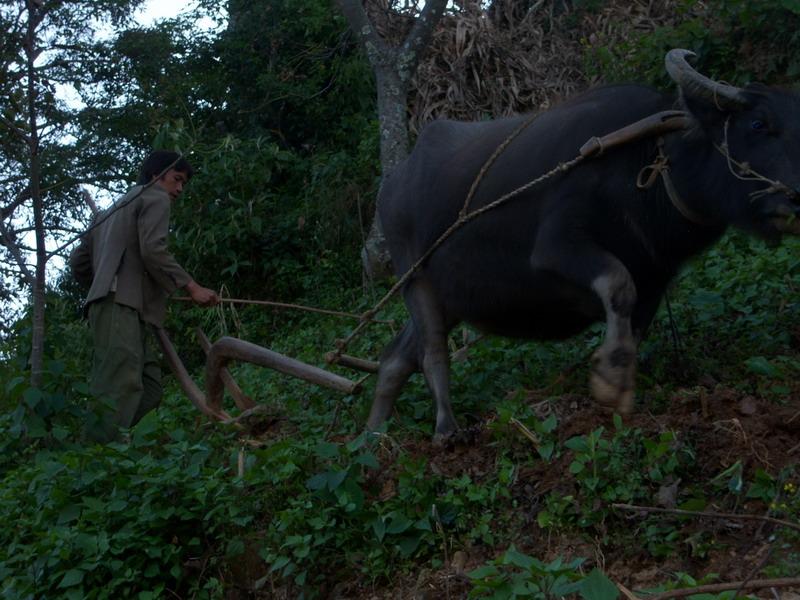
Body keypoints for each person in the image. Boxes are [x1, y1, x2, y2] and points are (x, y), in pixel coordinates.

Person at [70, 150, 219, 442]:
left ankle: (110, 444)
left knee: (149, 387)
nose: (179, 189)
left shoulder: (109, 211)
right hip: (118, 307)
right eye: (176, 180)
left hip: (119, 307)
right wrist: (192, 286)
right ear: (155, 176)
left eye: (183, 184)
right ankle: (94, 460)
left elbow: (79, 263)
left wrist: (108, 281)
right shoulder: (155, 196)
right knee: (117, 385)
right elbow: (153, 249)